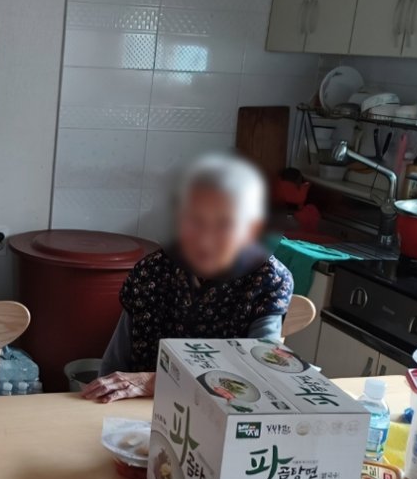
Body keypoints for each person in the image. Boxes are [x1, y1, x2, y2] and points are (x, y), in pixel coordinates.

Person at [83, 151, 293, 404]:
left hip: (223, 410)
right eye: (195, 221)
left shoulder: (267, 279)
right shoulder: (152, 271)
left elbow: (260, 373)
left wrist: (154, 380)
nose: (206, 240)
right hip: (142, 412)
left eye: (224, 224)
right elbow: (114, 369)